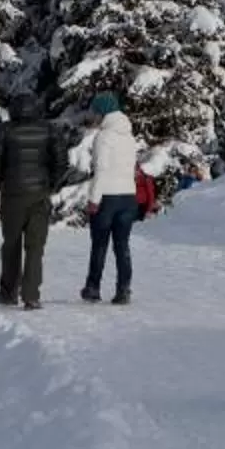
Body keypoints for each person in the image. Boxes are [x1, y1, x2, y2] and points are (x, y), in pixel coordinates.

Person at [0, 92, 70, 308]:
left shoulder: (4, 130)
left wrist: (3, 181)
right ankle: (31, 295)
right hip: (40, 194)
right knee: (35, 246)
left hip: (12, 194)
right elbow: (61, 161)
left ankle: (8, 292)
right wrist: (51, 184)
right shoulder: (49, 130)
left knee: (11, 244)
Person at [78, 93, 141, 305]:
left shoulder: (104, 137)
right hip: (128, 196)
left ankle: (93, 287)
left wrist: (94, 199)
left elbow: (102, 169)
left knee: (100, 244)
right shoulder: (129, 137)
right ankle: (124, 289)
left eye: (96, 112)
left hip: (107, 197)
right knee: (122, 245)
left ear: (103, 113)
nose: (94, 116)